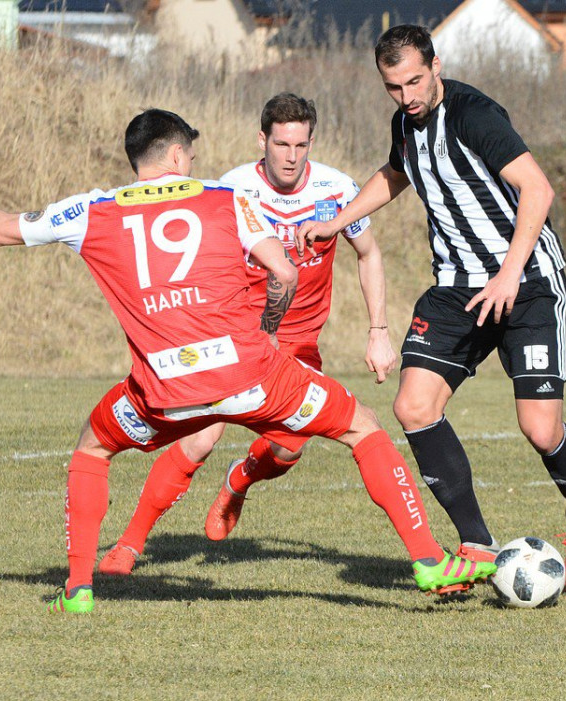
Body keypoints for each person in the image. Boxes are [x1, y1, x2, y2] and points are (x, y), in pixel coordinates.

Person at [0, 108, 495, 613]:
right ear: (178, 155)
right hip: (253, 378)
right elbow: (284, 273)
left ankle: (78, 590)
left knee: (92, 448)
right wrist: (269, 334)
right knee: (362, 427)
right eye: (190, 154)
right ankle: (428, 560)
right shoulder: (225, 197)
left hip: (163, 392)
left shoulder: (91, 210)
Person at [299, 25, 566, 596]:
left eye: (415, 81)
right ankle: (476, 544)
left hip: (528, 282)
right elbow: (396, 174)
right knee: (413, 406)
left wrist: (509, 272)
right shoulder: (405, 123)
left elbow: (537, 190)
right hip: (457, 288)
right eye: (394, 87)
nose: (407, 96)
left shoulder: (474, 115)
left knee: (541, 429)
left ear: (436, 65)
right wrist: (338, 221)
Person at [97, 93, 397, 576]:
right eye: (281, 144)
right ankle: (129, 546)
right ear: (263, 140)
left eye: (300, 145)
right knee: (199, 439)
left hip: (298, 342)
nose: (291, 156)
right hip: (235, 338)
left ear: (311, 142)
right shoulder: (233, 188)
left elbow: (369, 254)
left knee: (289, 447)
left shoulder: (338, 189)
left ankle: (239, 481)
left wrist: (378, 331)